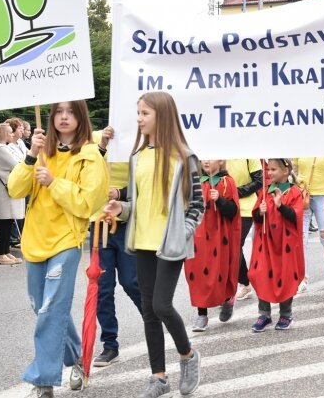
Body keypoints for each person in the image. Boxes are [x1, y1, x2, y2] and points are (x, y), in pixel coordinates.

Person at [103, 92, 203, 398]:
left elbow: (197, 206)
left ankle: (187, 356)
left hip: (170, 245)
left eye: (144, 113)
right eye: (138, 113)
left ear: (162, 115)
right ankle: (158, 378)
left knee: (161, 305)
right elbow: (136, 203)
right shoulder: (137, 157)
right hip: (142, 243)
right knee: (148, 311)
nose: (139, 119)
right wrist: (121, 210)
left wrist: (181, 233)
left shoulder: (184, 157)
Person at [8, 101, 109, 397]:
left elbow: (88, 203)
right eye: (59, 112)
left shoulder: (90, 155)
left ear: (81, 118)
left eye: (71, 112)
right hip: (35, 240)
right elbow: (15, 190)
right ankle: (76, 355)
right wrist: (31, 156)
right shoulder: (42, 151)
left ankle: (44, 380)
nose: (64, 118)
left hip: (67, 239)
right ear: (51, 118)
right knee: (42, 308)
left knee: (51, 310)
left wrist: (54, 183)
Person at [89, 126, 142, 367]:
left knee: (131, 281)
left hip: (128, 223)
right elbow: (85, 174)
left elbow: (146, 185)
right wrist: (101, 147)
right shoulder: (94, 138)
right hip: (99, 225)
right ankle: (110, 345)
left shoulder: (139, 140)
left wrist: (119, 192)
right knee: (102, 287)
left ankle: (153, 322)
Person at [186, 159, 241, 332]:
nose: (206, 161)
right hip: (199, 235)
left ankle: (227, 299)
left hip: (219, 236)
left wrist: (220, 201)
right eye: (203, 158)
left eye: (211, 157)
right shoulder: (196, 182)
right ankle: (202, 314)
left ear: (221, 160)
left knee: (220, 271)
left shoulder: (227, 182)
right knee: (197, 272)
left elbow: (233, 211)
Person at [250, 158, 304, 332]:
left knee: (285, 276)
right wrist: (260, 211)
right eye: (269, 169)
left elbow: (295, 217)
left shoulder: (294, 191)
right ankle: (264, 314)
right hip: (266, 242)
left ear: (285, 171)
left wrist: (280, 206)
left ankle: (286, 314)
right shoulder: (265, 192)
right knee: (261, 273)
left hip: (285, 244)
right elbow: (257, 218)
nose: (269, 173)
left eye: (273, 169)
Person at [294, 156, 324, 292]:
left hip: (323, 194)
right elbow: (293, 171)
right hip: (303, 194)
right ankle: (302, 277)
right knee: (301, 238)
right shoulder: (300, 147)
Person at [227, 159, 263, 301]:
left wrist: (237, 192)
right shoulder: (218, 152)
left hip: (245, 208)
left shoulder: (249, 155)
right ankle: (242, 283)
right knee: (227, 247)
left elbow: (259, 181)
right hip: (225, 206)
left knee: (235, 245)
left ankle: (244, 283)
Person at [0, 123, 25, 266]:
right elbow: (16, 164)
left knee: (8, 223)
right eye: (9, 132)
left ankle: (5, 251)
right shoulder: (1, 150)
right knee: (4, 224)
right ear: (3, 134)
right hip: (5, 191)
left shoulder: (1, 148)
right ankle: (0, 254)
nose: (12, 134)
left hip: (6, 189)